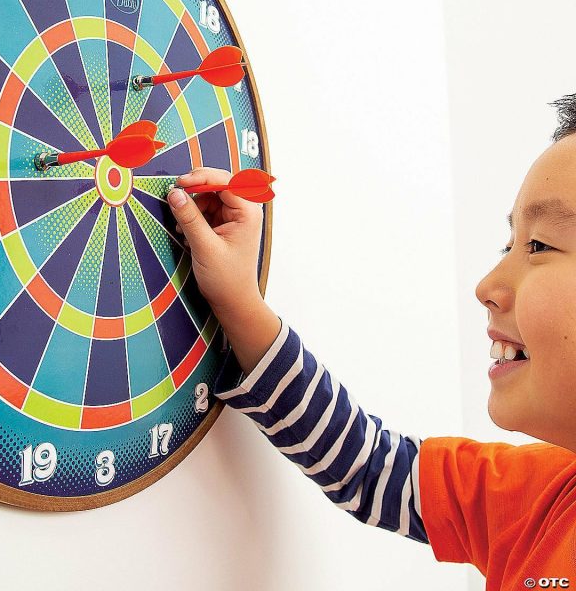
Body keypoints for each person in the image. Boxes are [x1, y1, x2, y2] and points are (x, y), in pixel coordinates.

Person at [166, 95, 576, 588]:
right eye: (508, 244)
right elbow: (372, 471)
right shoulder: (544, 499)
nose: (487, 285)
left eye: (539, 246)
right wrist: (242, 306)